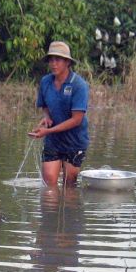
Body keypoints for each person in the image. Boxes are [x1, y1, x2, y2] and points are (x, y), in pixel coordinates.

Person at [28, 41, 90, 187]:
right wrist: (47, 117)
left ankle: (69, 209)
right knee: (49, 182)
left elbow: (77, 119)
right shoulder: (45, 82)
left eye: (58, 60)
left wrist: (48, 131)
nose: (53, 63)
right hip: (53, 140)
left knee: (69, 185)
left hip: (74, 141)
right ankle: (50, 210)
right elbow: (44, 105)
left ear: (67, 62)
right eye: (51, 59)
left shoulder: (79, 85)